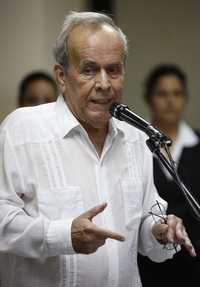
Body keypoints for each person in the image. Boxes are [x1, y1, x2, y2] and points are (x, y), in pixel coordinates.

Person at [0, 12, 196, 287]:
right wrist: (64, 235)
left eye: (113, 70)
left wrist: (161, 231)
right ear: (62, 76)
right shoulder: (22, 130)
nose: (104, 84)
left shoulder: (135, 137)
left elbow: (143, 229)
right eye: (89, 70)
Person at [138, 64, 200, 287]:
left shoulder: (198, 143)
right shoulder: (133, 145)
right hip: (146, 264)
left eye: (177, 93)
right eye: (162, 94)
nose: (170, 101)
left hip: (194, 265)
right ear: (149, 98)